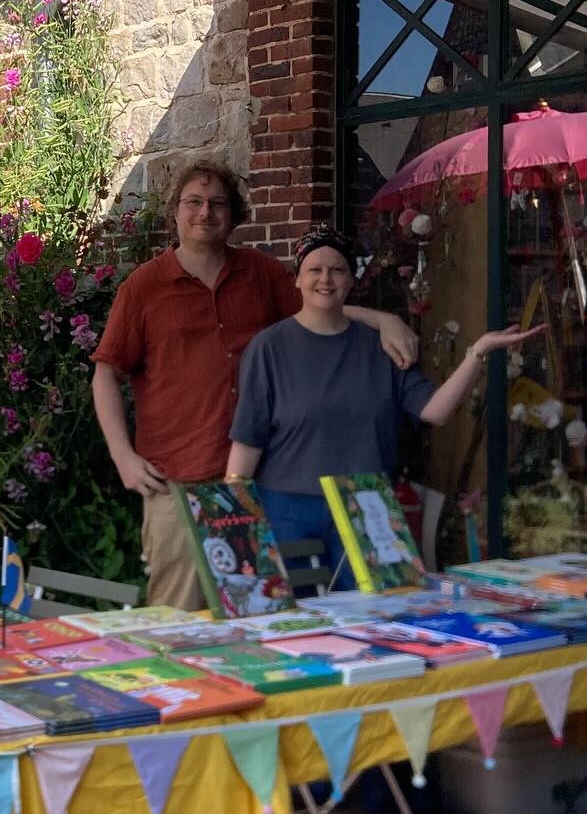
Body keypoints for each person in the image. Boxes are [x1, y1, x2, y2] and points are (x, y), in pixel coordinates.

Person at [92, 165, 418, 608]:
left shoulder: (262, 275)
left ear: (234, 214)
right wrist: (123, 457)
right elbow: (106, 372)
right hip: (180, 480)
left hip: (261, 479)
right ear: (175, 211)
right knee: (177, 618)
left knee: (263, 619)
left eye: (217, 203)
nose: (205, 212)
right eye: (194, 202)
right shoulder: (144, 288)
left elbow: (320, 309)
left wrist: (382, 319)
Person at [225, 225, 537, 581]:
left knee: (378, 615)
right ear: (297, 279)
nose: (325, 279)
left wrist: (477, 354)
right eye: (314, 269)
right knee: (292, 624)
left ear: (351, 279)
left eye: (337, 269)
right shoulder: (269, 348)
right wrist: (234, 523)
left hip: (367, 506)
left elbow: (434, 410)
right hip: (288, 509)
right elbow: (248, 440)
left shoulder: (383, 345)